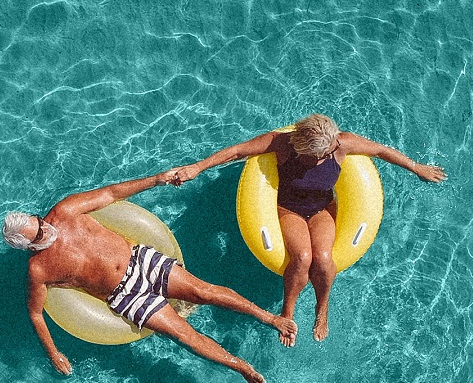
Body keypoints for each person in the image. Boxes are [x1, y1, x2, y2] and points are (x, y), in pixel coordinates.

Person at [2, 171, 297, 383]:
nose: (46, 229)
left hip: (140, 259)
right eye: (39, 234)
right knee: (183, 335)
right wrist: (54, 353)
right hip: (125, 296)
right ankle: (241, 367)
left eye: (39, 221)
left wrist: (157, 179)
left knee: (202, 291)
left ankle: (270, 318)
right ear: (27, 246)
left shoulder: (64, 211)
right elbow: (35, 313)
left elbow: (112, 193)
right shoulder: (39, 270)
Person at [165, 114, 446, 342]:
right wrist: (197, 167)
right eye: (321, 154)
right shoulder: (282, 144)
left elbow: (382, 150)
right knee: (302, 258)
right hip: (289, 210)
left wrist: (416, 167)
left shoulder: (340, 144)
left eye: (330, 149)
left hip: (322, 209)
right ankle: (288, 310)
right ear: (302, 149)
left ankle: (321, 308)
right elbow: (237, 151)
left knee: (323, 259)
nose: (330, 153)